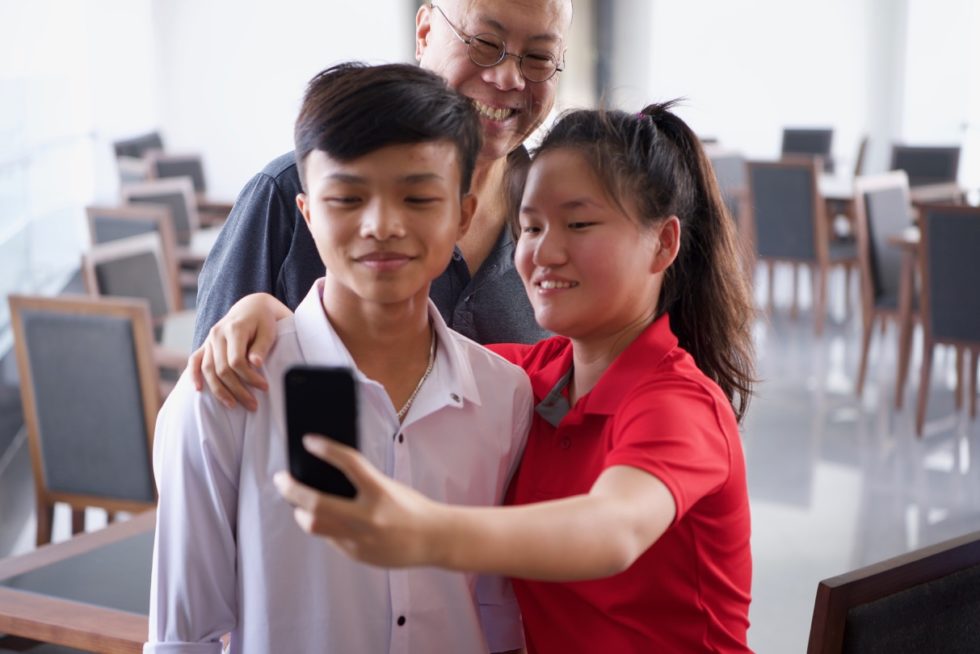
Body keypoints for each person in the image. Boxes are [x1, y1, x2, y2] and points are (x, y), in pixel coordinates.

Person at [199, 102, 757, 652]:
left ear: (663, 243)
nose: (546, 252)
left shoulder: (679, 403)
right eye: (531, 227)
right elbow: (397, 352)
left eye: (579, 223)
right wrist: (269, 313)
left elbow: (612, 530)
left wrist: (423, 532)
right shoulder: (529, 377)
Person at [146, 63, 533, 654]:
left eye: (418, 197)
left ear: (462, 213)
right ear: (307, 214)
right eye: (348, 197)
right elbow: (182, 639)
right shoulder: (222, 397)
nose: (382, 225)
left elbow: (496, 612)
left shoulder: (504, 397)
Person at [192, 0, 573, 356]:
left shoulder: (559, 215)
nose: (508, 79)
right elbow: (211, 392)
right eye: (485, 44)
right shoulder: (288, 190)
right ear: (424, 33)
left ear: (463, 214)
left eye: (539, 58)